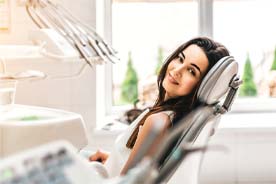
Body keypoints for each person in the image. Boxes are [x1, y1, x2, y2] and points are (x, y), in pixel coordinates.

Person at [89, 37, 230, 177]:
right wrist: (111, 159)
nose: (177, 70)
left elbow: (127, 182)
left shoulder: (159, 121)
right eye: (180, 59)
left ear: (200, 87)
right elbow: (141, 169)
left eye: (191, 71)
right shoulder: (170, 117)